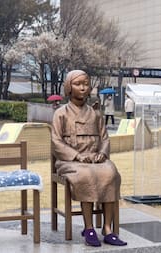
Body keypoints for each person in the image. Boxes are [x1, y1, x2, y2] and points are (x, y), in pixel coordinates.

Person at [51, 70, 127, 247]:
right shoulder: (60, 113)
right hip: (70, 161)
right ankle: (89, 227)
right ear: (69, 87)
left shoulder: (96, 113)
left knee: (111, 173)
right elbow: (56, 141)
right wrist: (76, 155)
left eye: (86, 84)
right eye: (78, 84)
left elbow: (105, 137)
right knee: (86, 176)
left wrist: (102, 153)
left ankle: (108, 229)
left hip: (95, 159)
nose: (83, 88)